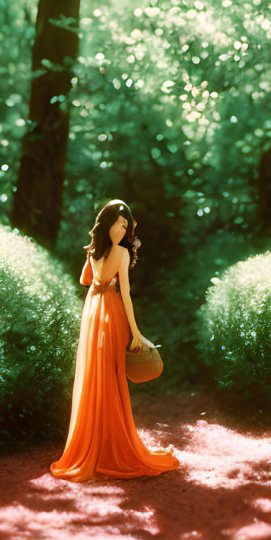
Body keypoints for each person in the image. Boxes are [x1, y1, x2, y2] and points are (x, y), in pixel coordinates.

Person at [50, 199, 179, 480]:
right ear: (108, 224)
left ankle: (98, 446)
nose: (123, 231)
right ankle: (107, 448)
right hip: (108, 311)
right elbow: (125, 294)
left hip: (94, 311)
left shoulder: (95, 251)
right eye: (120, 224)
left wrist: (96, 261)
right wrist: (136, 332)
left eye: (125, 226)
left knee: (102, 376)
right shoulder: (119, 253)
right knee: (104, 376)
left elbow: (87, 281)